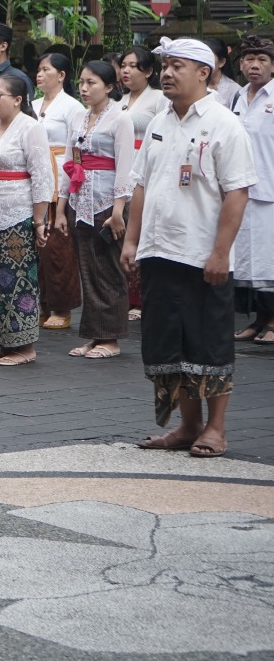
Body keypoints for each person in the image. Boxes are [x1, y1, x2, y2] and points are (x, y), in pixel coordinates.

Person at [122, 37, 255, 459]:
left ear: (204, 73)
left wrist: (220, 253)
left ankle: (215, 429)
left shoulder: (224, 124)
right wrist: (131, 239)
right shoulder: (161, 119)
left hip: (202, 255)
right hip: (159, 249)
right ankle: (188, 425)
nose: (167, 73)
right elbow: (141, 183)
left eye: (178, 66)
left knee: (208, 341)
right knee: (168, 341)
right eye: (165, 65)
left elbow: (237, 193)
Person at [0, 72, 54, 366]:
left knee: (18, 281)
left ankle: (24, 346)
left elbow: (43, 175)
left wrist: (40, 220)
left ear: (18, 100)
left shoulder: (29, 128)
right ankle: (4, 343)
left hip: (17, 215)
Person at [62, 60, 134, 360]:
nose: (84, 88)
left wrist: (118, 211)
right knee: (88, 269)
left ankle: (111, 337)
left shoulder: (120, 119)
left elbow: (125, 166)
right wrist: (59, 208)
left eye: (91, 83)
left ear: (109, 86)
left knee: (108, 268)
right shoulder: (78, 118)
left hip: (107, 202)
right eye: (81, 82)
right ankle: (94, 334)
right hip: (80, 201)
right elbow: (70, 162)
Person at [34, 53, 84, 331]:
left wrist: (69, 185)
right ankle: (39, 303)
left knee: (58, 247)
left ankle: (62, 307)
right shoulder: (31, 104)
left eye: (46, 70)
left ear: (62, 75)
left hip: (58, 177)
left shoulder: (72, 107)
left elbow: (74, 151)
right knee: (36, 246)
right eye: (38, 70)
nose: (39, 75)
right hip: (35, 175)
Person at [119, 45, 168, 321]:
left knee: (141, 231)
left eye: (133, 65)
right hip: (122, 169)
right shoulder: (119, 101)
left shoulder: (158, 99)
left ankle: (140, 298)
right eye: (123, 65)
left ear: (149, 71)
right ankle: (123, 295)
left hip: (145, 169)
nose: (126, 70)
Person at [230, 36, 274, 343]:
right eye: (249, 59)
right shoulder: (238, 97)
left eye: (262, 59)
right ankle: (258, 320)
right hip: (242, 189)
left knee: (270, 258)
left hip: (270, 189)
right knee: (250, 261)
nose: (254, 65)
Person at [206, 37, 239, 108]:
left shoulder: (234, 90)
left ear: (222, 62)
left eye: (209, 58)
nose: (204, 62)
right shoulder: (194, 84)